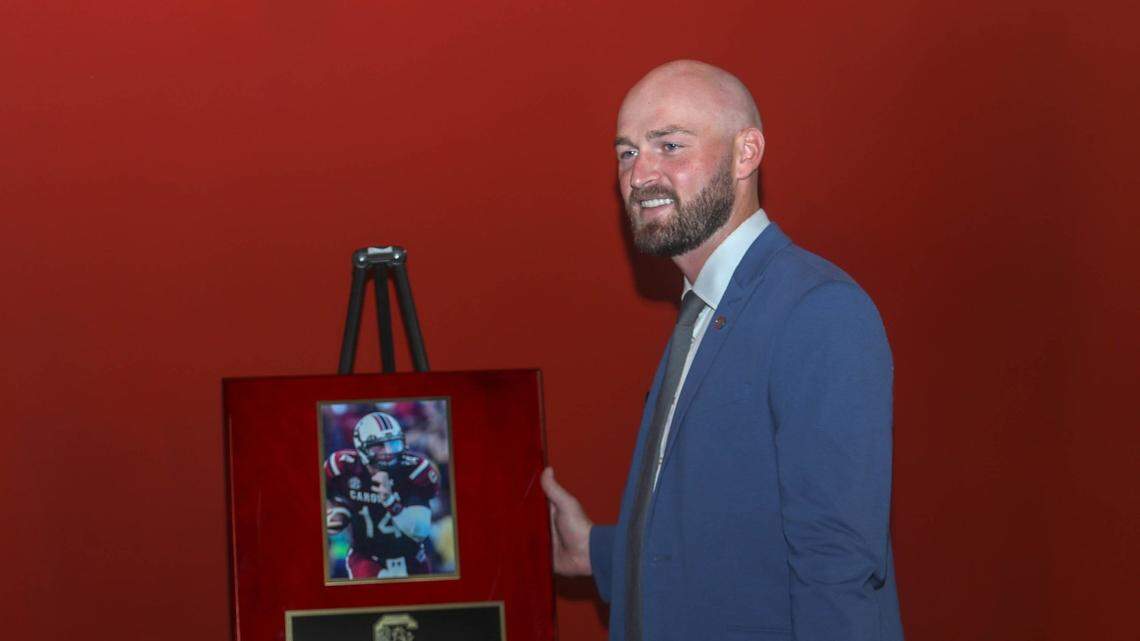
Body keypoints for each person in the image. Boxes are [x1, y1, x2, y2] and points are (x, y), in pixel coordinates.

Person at [541, 60, 904, 641]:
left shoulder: (819, 310)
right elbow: (729, 527)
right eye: (628, 152)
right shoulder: (704, 308)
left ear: (745, 153)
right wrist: (596, 550)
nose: (640, 175)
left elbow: (836, 566)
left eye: (669, 145)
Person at [325, 410, 441, 579]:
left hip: (411, 557)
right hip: (365, 558)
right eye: (379, 445)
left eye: (393, 443)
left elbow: (420, 531)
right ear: (361, 447)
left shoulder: (415, 470)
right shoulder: (342, 466)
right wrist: (335, 508)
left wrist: (390, 500)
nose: (388, 451)